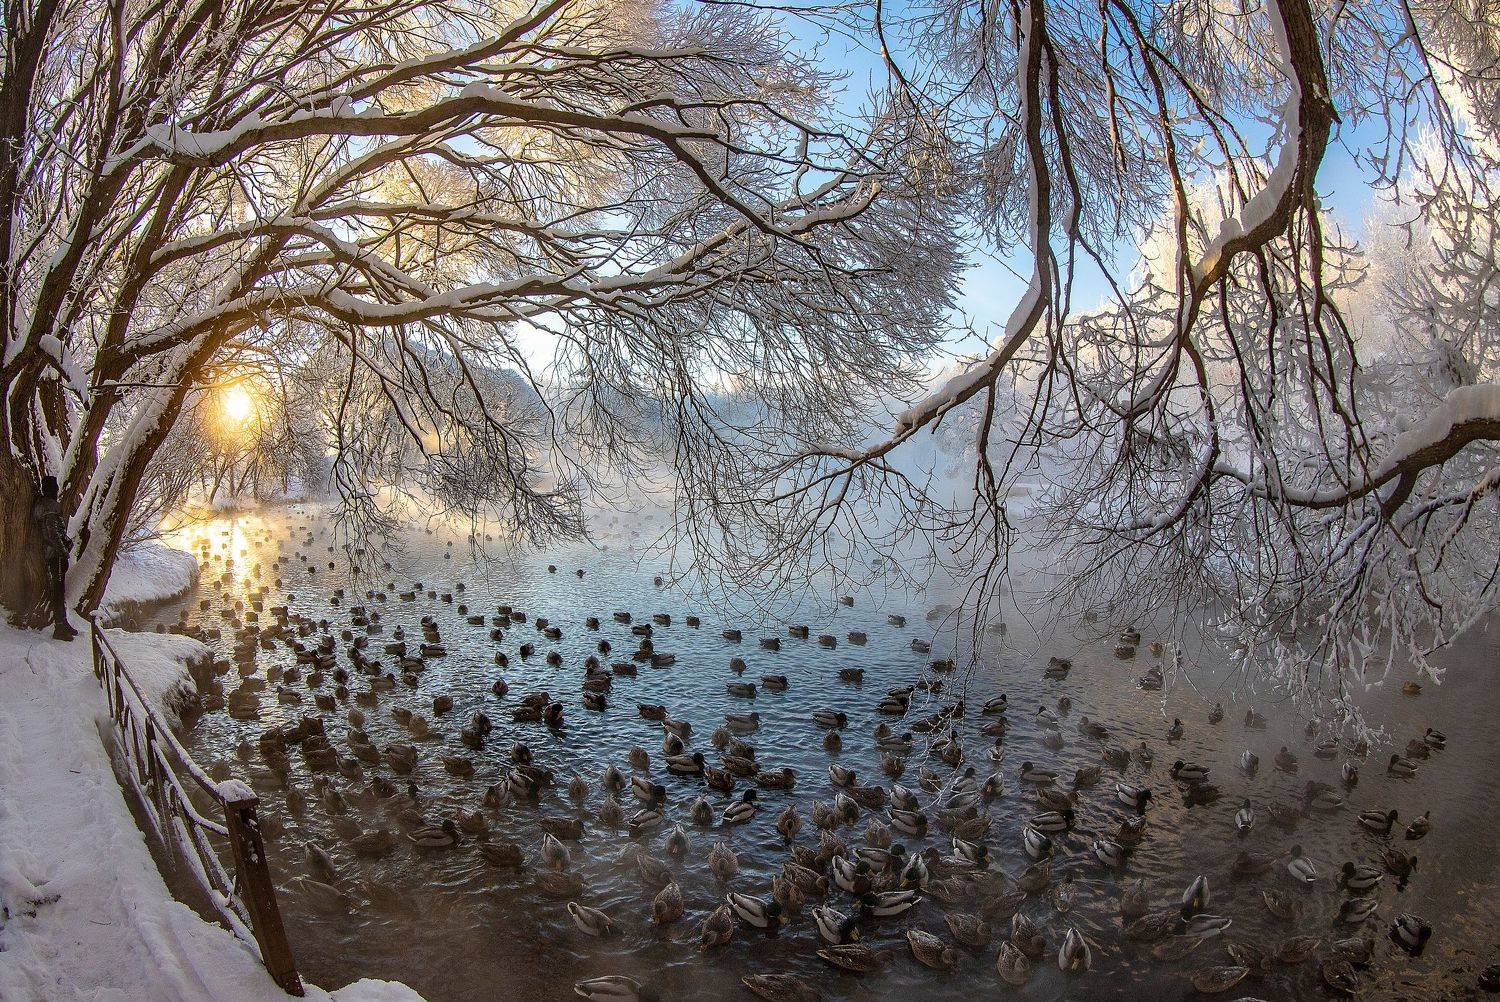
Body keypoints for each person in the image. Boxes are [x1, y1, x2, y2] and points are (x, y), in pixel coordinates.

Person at [31, 475, 76, 641]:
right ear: (52, 490)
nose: (57, 491)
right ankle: (59, 627)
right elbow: (52, 534)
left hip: (55, 553)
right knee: (57, 591)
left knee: (60, 590)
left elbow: (57, 532)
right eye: (55, 488)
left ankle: (63, 622)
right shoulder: (49, 507)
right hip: (54, 555)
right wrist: (64, 550)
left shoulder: (46, 506)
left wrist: (67, 543)